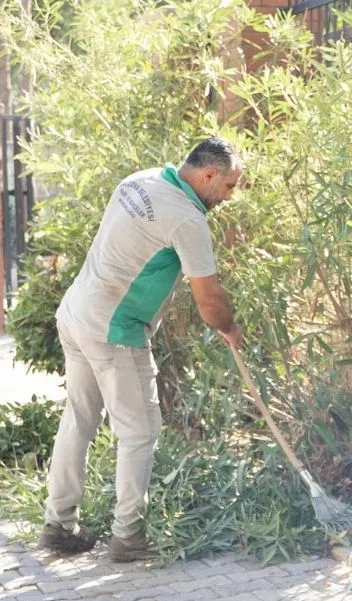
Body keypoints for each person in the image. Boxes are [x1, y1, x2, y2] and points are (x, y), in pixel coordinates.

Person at [39, 137, 245, 562]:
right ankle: (128, 535)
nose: (229, 197)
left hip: (77, 313)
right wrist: (229, 328)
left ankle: (58, 526)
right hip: (114, 329)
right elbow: (209, 300)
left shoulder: (140, 179)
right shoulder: (187, 219)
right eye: (229, 186)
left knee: (78, 418)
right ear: (208, 175)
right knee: (139, 432)